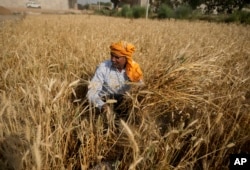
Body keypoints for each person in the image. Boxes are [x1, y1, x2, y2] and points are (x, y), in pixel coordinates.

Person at [87, 41, 143, 115]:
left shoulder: (134, 69)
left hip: (126, 104)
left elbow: (140, 89)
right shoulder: (103, 67)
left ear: (126, 58)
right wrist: (102, 105)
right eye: (112, 55)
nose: (113, 59)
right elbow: (91, 93)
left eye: (117, 57)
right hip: (105, 102)